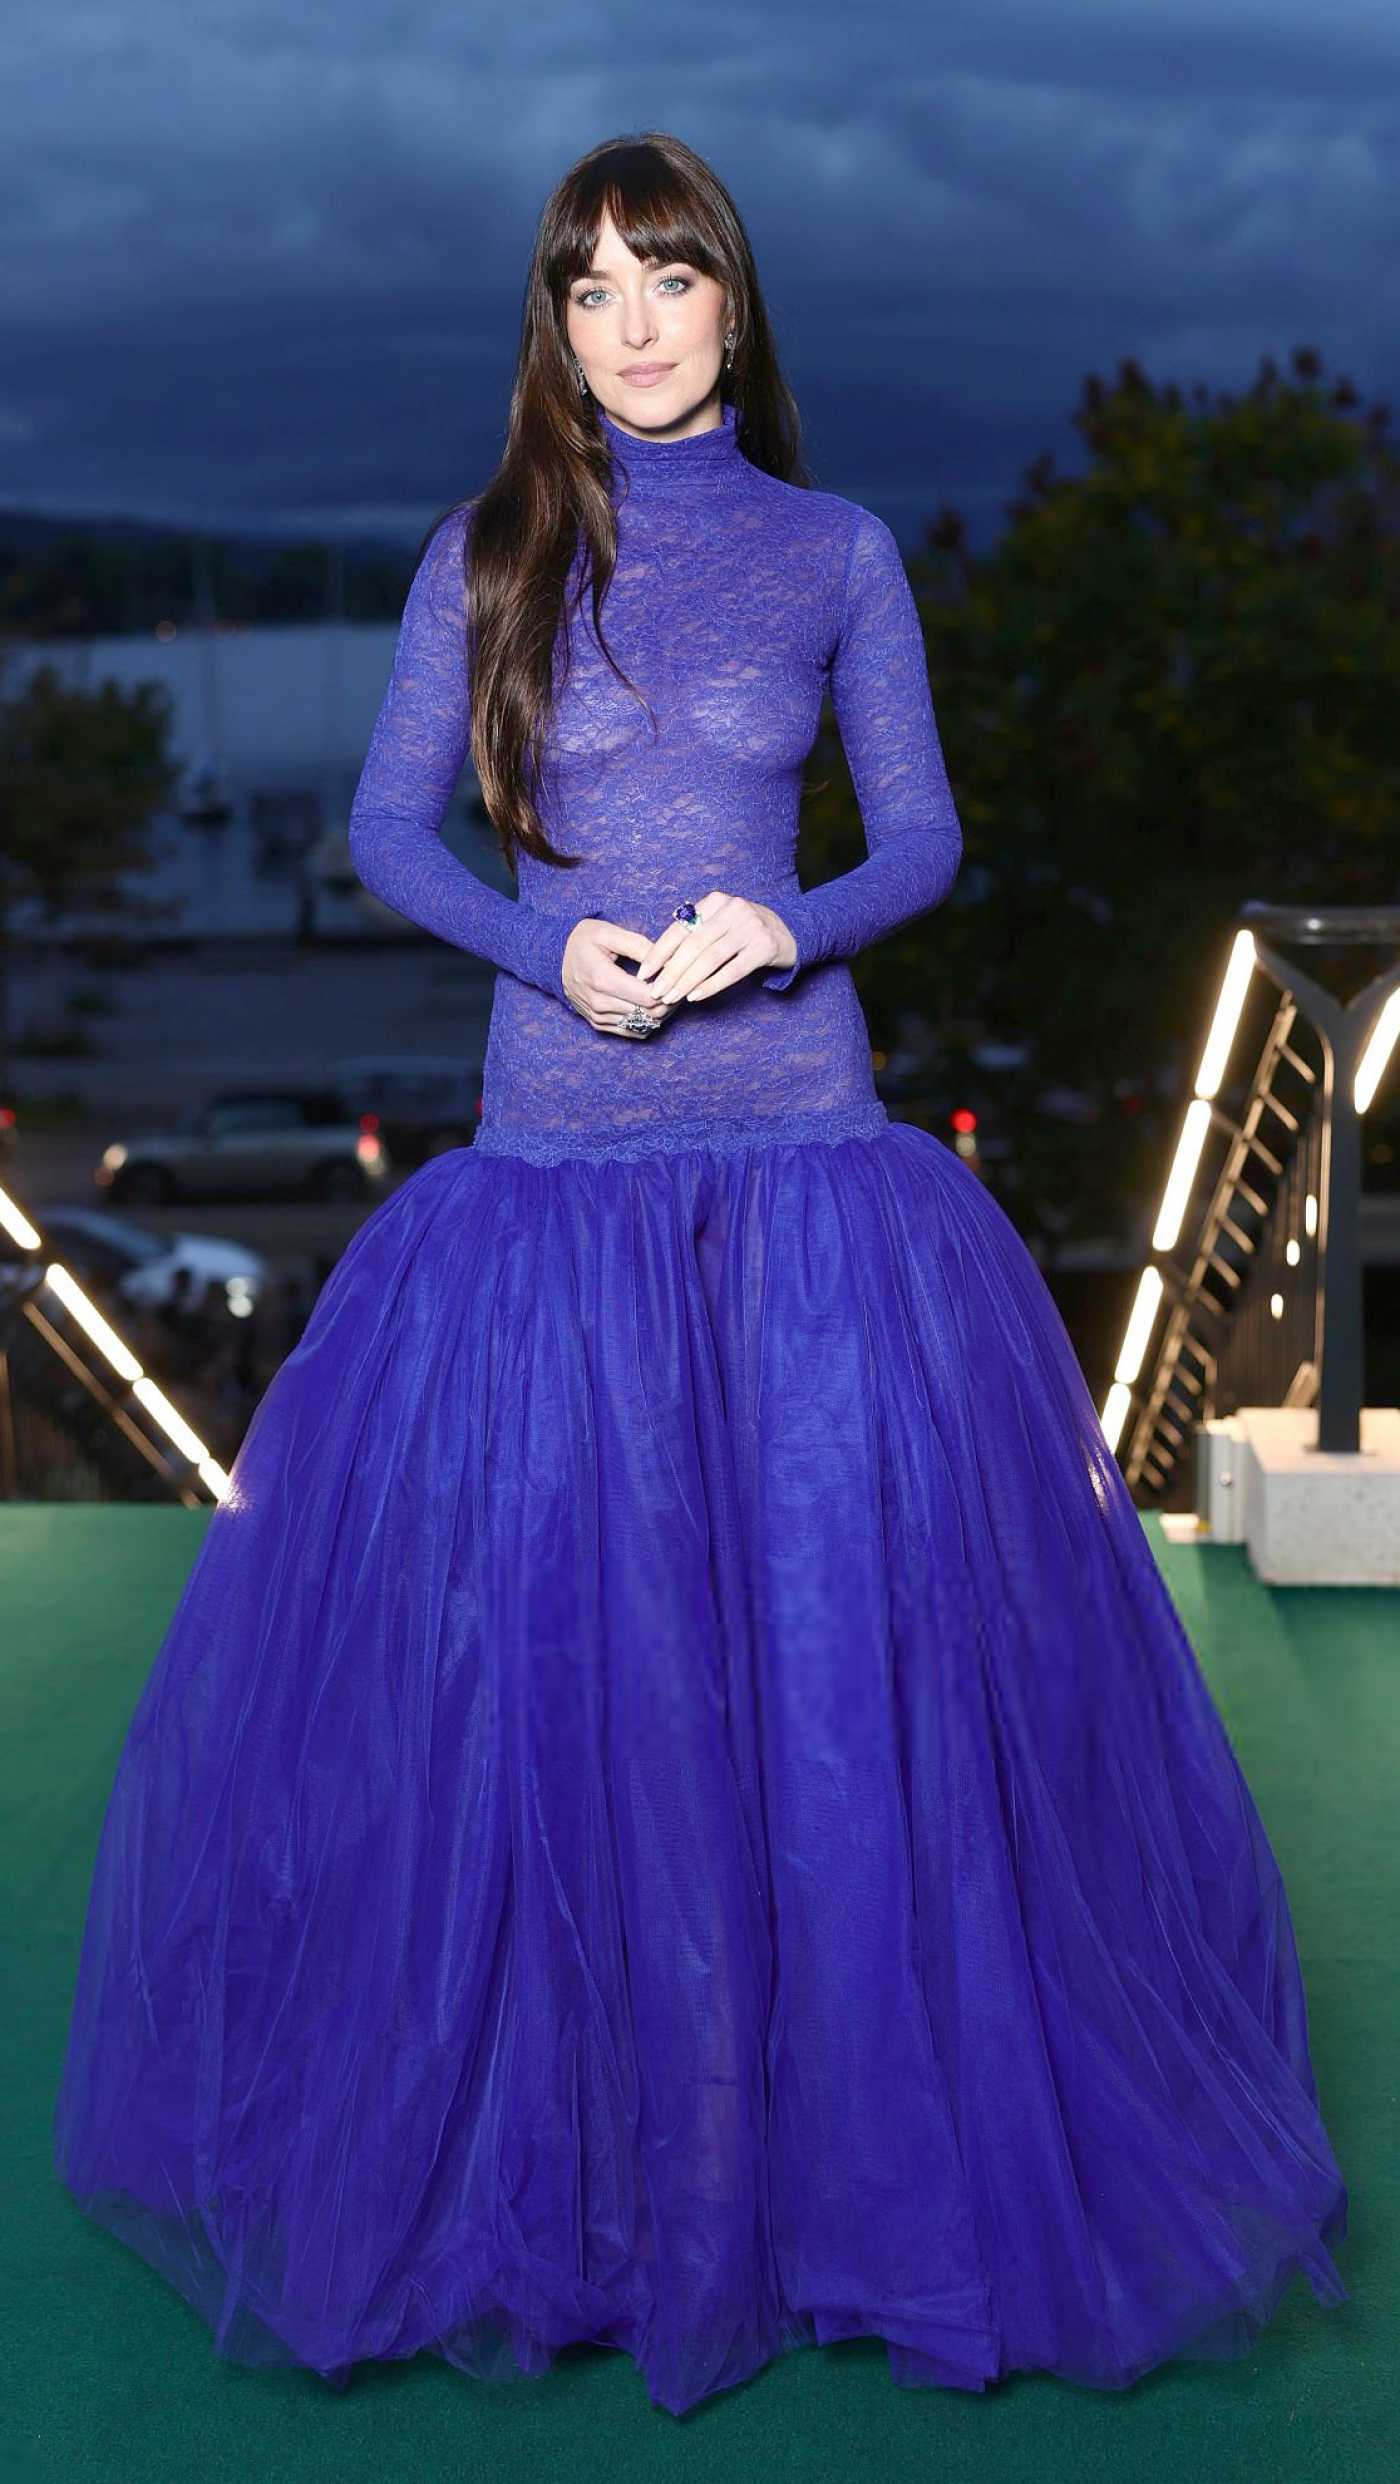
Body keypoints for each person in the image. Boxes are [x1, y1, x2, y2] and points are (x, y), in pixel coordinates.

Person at [52, 131, 1348, 2420]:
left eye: (671, 279)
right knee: (572, 1701)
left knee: (835, 1701)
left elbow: (924, 837)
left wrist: (793, 920)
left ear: (735, 307)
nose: (632, 323)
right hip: (548, 1185)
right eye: (589, 290)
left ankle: (852, 2186)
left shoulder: (836, 553)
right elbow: (382, 834)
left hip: (809, 1181)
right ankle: (604, 2197)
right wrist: (556, 941)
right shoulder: (486, 555)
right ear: (550, 328)